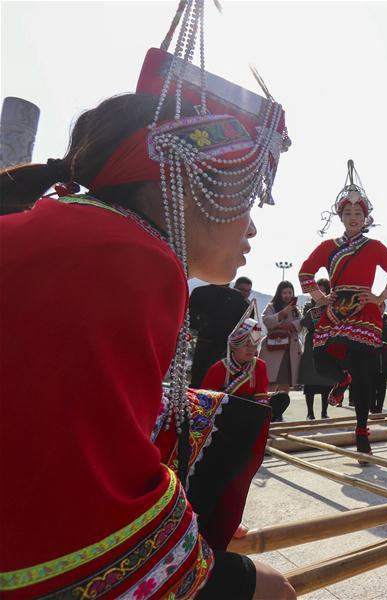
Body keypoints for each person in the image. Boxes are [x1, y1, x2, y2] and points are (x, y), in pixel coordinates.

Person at [0, 6, 293, 596]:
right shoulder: (132, 256)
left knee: (217, 418)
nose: (253, 230)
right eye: (250, 197)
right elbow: (57, 496)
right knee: (275, 591)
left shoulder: (76, 225)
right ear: (187, 178)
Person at [297, 160, 387, 457]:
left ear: (366, 217)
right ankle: (341, 380)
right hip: (334, 309)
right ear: (340, 216)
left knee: (363, 370)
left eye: (359, 213)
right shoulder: (328, 245)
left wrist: (380, 297)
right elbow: (305, 272)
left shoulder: (375, 246)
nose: (354, 217)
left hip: (364, 311)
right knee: (320, 360)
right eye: (348, 213)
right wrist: (320, 297)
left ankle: (361, 430)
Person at [201, 301, 269, 405]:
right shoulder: (218, 368)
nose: (251, 349)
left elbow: (261, 396)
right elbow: (206, 400)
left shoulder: (259, 366)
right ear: (234, 346)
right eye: (246, 345)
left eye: (254, 346)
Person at [189, 282, 249, 386]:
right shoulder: (200, 292)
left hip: (227, 349)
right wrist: (203, 329)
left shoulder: (237, 297)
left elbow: (244, 323)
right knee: (198, 382)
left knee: (222, 384)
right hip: (203, 345)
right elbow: (190, 318)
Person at [298, 278, 335, 420]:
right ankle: (310, 413)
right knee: (310, 379)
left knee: (326, 378)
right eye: (318, 289)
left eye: (324, 289)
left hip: (328, 342)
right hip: (311, 343)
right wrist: (317, 307)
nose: (321, 292)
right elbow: (305, 323)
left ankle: (324, 412)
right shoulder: (308, 306)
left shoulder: (333, 306)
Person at [259, 281, 302, 401]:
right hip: (273, 349)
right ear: (279, 293)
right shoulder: (271, 306)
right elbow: (267, 321)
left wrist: (288, 325)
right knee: (271, 380)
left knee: (285, 381)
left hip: (289, 350)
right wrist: (283, 313)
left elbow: (300, 323)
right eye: (284, 293)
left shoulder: (296, 310)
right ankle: (267, 406)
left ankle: (280, 409)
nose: (287, 295)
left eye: (290, 292)